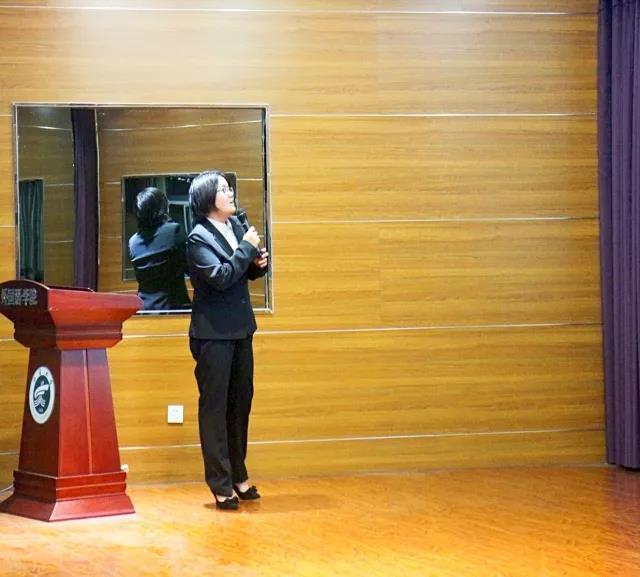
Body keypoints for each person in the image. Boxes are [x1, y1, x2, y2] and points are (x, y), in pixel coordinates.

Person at [187, 170, 268, 510]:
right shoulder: (198, 238)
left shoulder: (235, 226)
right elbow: (220, 277)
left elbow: (240, 272)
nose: (230, 192)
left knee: (240, 404)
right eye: (223, 189)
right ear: (208, 199)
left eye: (229, 187)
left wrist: (257, 265)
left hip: (240, 329)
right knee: (215, 409)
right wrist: (245, 249)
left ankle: (238, 474)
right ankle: (220, 484)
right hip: (213, 335)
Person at [128, 187, 191, 311]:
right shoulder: (173, 230)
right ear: (162, 208)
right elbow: (190, 268)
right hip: (174, 308)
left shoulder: (132, 242)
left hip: (144, 309)